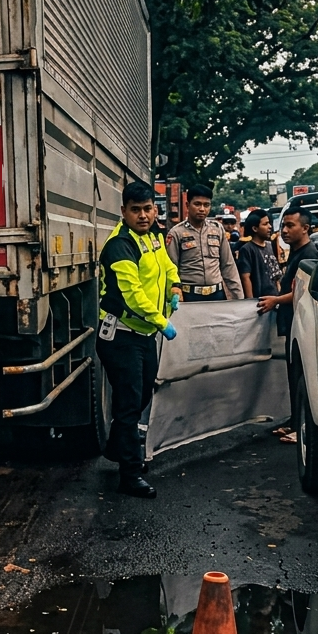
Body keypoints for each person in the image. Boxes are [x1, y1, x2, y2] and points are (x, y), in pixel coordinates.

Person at [97, 181, 182, 499]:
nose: (143, 215)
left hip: (144, 334)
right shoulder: (120, 245)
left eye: (148, 209)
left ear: (154, 209)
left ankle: (117, 449)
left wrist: (175, 285)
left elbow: (166, 266)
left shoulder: (154, 235)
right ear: (124, 212)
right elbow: (132, 296)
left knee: (143, 393)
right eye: (135, 210)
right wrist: (163, 323)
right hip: (121, 334)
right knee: (130, 403)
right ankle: (130, 474)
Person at [257, 206, 318, 420]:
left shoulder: (309, 254)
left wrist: (275, 300)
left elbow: (300, 292)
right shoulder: (295, 251)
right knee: (292, 375)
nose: (284, 230)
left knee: (300, 377)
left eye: (290, 225)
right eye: (283, 225)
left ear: (305, 229)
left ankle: (298, 427)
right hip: (291, 321)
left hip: (300, 322)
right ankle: (294, 422)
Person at [165, 184, 243, 302]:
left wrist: (239, 298)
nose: (202, 209)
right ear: (187, 205)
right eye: (197, 204)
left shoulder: (217, 229)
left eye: (206, 205)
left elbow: (228, 265)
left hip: (217, 294)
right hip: (189, 296)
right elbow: (171, 268)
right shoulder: (176, 233)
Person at [236, 209, 282, 299]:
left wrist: (279, 295)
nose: (270, 226)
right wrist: (250, 302)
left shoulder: (269, 245)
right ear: (255, 228)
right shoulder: (247, 249)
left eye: (269, 223)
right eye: (265, 224)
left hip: (274, 298)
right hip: (260, 300)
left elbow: (275, 275)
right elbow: (245, 277)